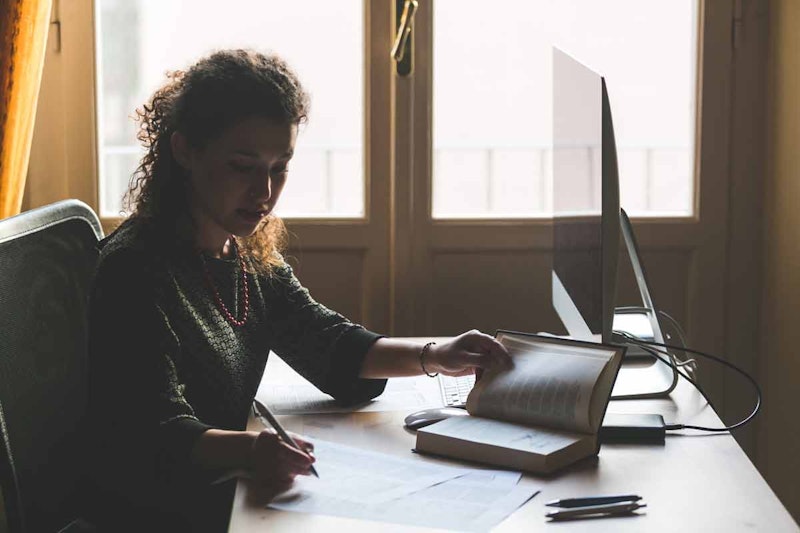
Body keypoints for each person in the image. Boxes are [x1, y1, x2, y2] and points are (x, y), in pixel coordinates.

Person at [86, 49, 511, 531]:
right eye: (242, 167)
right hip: (163, 512)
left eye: (279, 167)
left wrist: (436, 354)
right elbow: (152, 435)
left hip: (230, 492)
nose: (264, 192)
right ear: (185, 151)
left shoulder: (242, 251)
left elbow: (327, 342)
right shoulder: (135, 271)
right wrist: (251, 448)